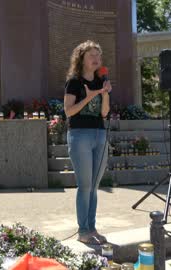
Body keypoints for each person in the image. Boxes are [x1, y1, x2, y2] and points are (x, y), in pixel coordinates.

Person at [64, 40, 111, 245]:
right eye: (92, 55)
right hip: (80, 135)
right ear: (81, 58)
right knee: (85, 186)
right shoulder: (74, 82)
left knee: (94, 186)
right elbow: (69, 111)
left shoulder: (101, 81)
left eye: (98, 56)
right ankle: (83, 231)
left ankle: (92, 228)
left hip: (99, 134)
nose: (96, 59)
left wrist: (105, 93)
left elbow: (104, 113)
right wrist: (89, 97)